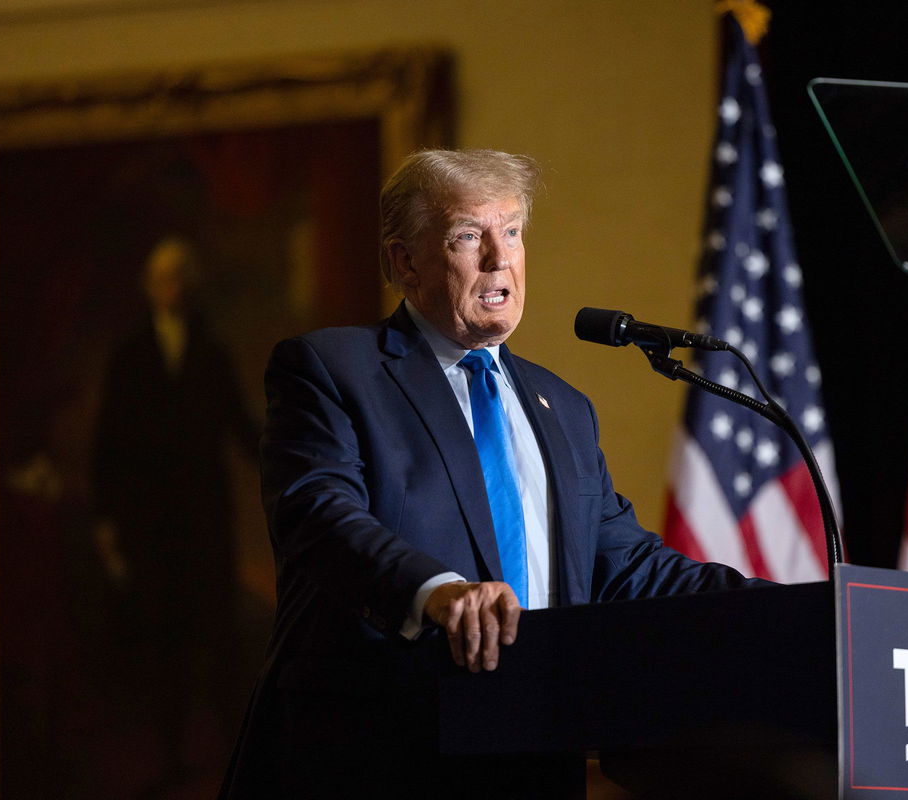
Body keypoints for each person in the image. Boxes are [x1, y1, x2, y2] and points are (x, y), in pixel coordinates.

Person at [218, 150, 766, 799]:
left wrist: (777, 609)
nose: (498, 258)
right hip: (373, 757)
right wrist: (437, 592)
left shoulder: (562, 407)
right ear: (404, 261)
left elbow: (625, 563)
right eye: (467, 236)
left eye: (511, 232)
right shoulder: (334, 371)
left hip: (531, 756)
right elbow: (318, 515)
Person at [91, 236, 259, 794]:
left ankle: (230, 759)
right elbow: (108, 444)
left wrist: (293, 466)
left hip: (204, 520)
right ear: (151, 288)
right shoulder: (131, 356)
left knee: (217, 639)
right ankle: (168, 760)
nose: (175, 288)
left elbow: (241, 428)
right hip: (150, 526)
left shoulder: (210, 352)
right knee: (163, 646)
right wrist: (109, 523)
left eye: (183, 278)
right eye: (166, 279)